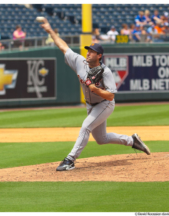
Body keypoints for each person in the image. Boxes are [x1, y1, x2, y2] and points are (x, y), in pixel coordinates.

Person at [39, 18, 151, 171]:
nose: (88, 53)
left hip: (105, 104)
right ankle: (132, 141)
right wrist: (50, 31)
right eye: (88, 50)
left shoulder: (106, 72)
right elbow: (64, 47)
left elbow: (111, 96)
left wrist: (96, 89)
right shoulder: (79, 62)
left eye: (91, 52)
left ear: (99, 55)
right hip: (90, 105)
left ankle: (69, 160)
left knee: (85, 127)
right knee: (101, 139)